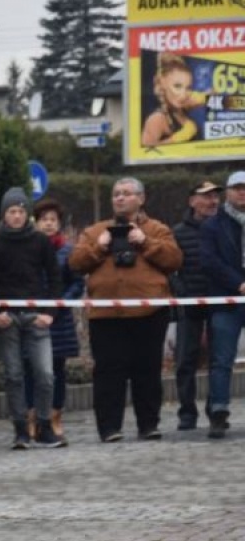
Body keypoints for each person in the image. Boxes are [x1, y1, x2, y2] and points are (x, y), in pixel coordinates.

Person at [69, 177, 182, 442]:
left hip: (149, 314)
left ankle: (148, 425)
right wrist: (101, 245)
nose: (120, 198)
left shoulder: (157, 229)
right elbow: (75, 262)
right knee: (108, 373)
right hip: (106, 316)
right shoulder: (96, 230)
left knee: (147, 371)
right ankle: (109, 428)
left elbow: (174, 259)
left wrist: (145, 242)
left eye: (126, 193)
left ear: (141, 199)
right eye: (116, 194)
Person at [0, 187, 65, 449]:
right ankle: (20, 428)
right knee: (13, 375)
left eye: (21, 211)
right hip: (7, 317)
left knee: (45, 373)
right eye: (12, 211)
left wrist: (50, 313)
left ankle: (44, 425)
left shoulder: (40, 242)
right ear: (4, 215)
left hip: (36, 316)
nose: (17, 216)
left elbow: (54, 277)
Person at [27, 198, 81, 443]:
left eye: (53, 220)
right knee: (31, 369)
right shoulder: (29, 248)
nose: (48, 224)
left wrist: (57, 305)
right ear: (36, 223)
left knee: (57, 371)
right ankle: (32, 419)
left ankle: (54, 417)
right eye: (43, 220)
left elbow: (77, 283)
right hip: (33, 316)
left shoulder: (67, 251)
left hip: (59, 320)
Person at [170, 181, 222, 431]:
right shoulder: (177, 232)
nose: (212, 201)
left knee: (218, 359)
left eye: (215, 196)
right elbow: (169, 268)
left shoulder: (224, 229)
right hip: (189, 304)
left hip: (220, 302)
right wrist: (181, 292)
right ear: (192, 201)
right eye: (206, 196)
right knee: (185, 360)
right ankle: (186, 413)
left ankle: (216, 410)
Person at [197, 171, 245, 439]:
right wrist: (238, 284)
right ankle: (218, 412)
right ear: (228, 192)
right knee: (221, 360)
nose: (242, 192)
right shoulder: (213, 225)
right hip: (226, 300)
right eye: (237, 188)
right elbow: (208, 261)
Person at [141, 53, 206, 149]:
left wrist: (206, 97)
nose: (183, 95)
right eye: (177, 86)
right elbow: (145, 153)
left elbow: (229, 102)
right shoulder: (157, 119)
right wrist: (176, 139)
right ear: (162, 83)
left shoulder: (184, 104)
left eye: (188, 88)